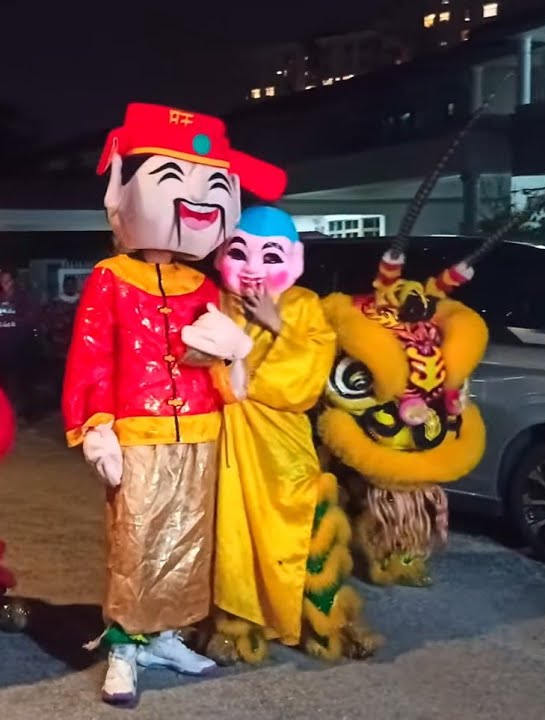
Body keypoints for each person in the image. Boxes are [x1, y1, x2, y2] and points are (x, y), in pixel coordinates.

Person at [62, 103, 286, 706]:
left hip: (201, 431)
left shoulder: (203, 284)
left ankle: (165, 635)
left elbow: (221, 357)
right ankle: (124, 646)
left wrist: (231, 353)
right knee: (135, 539)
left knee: (188, 538)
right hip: (137, 432)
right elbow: (92, 356)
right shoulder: (110, 277)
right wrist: (97, 427)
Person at [204, 206, 380, 665]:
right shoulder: (212, 300)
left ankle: (324, 622)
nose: (253, 268)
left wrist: (276, 325)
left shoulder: (303, 305)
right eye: (239, 253)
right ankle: (236, 626)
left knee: (299, 531)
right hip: (225, 443)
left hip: (283, 450)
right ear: (221, 255)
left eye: (270, 256)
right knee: (230, 538)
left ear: (295, 259)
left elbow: (305, 381)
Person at [0, 268, 35, 421]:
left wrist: (17, 324)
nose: (5, 284)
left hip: (19, 346)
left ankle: (24, 413)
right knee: (1, 382)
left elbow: (31, 318)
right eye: (2, 281)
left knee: (20, 380)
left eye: (8, 281)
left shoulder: (23, 297)